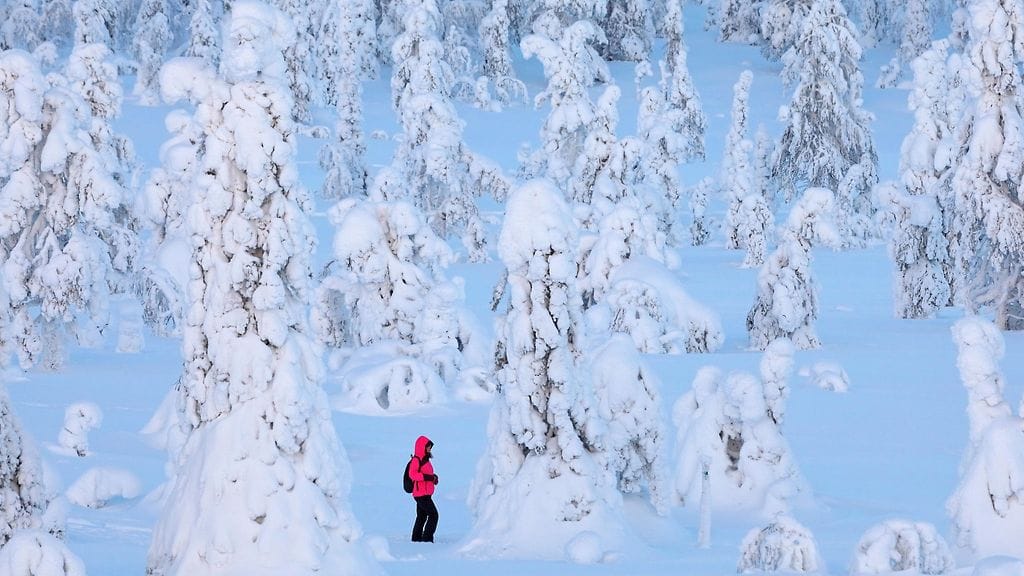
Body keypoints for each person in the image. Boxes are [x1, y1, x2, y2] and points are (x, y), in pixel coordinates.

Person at [408, 435, 439, 542]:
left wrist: (433, 478)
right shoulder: (416, 460)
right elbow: (413, 475)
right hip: (421, 494)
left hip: (425, 494)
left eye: (430, 447)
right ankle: (427, 539)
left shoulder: (425, 460)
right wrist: (428, 477)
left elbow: (427, 474)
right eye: (428, 447)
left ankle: (416, 538)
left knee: (422, 516)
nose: (430, 449)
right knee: (433, 515)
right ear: (422, 447)